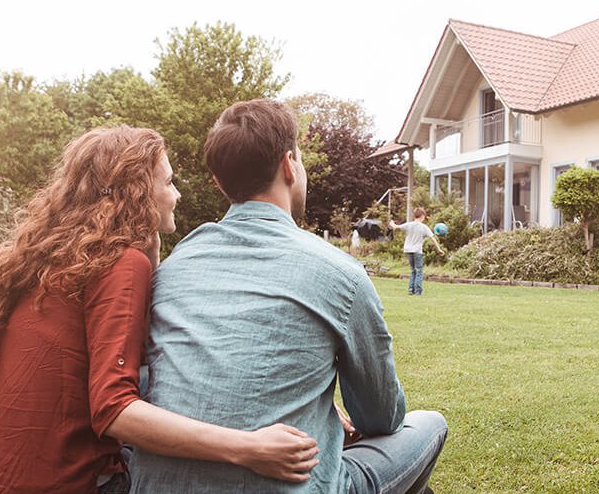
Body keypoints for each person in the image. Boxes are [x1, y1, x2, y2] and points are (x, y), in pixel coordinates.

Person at [0, 126, 320, 494]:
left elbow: (148, 350)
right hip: (67, 481)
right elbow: (114, 410)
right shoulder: (120, 263)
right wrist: (250, 449)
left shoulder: (54, 256)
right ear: (140, 192)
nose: (176, 195)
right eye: (169, 182)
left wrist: (153, 253)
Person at [131, 100, 448, 494]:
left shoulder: (175, 266)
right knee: (430, 423)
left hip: (155, 485)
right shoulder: (339, 272)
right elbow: (380, 416)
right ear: (288, 165)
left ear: (218, 181)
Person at [389, 208, 445, 296]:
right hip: (417, 251)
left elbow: (396, 227)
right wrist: (439, 249)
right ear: (422, 216)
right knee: (419, 271)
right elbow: (433, 238)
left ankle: (411, 290)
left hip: (408, 250)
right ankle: (418, 291)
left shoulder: (409, 225)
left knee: (413, 270)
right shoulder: (424, 227)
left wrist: (392, 223)